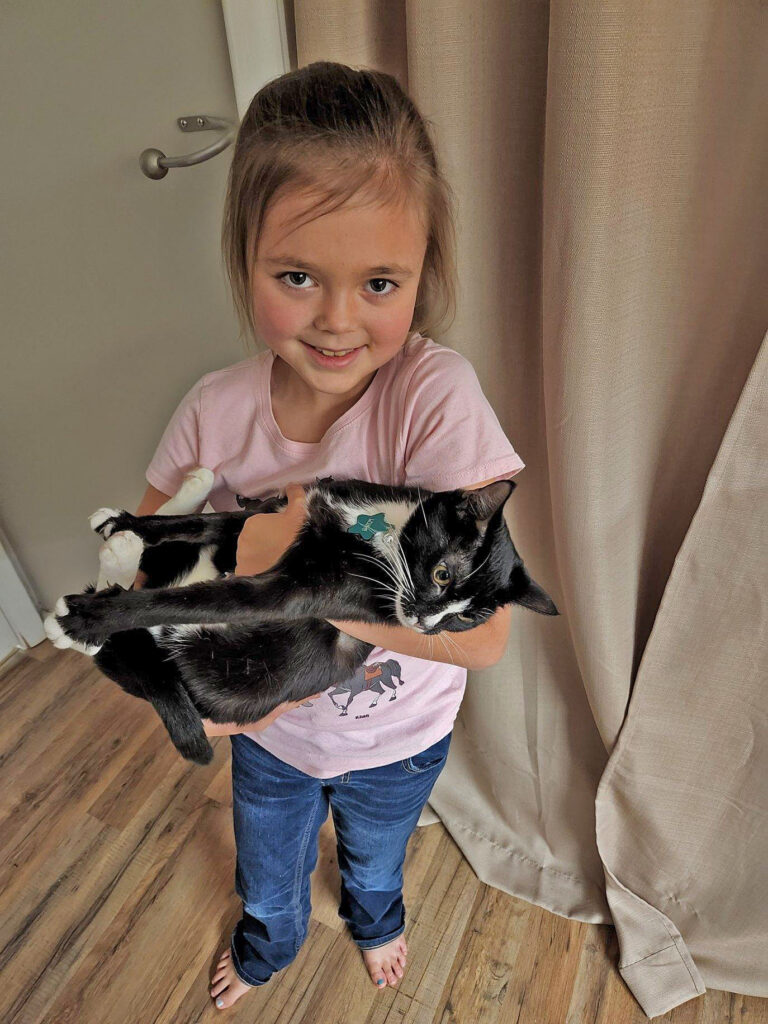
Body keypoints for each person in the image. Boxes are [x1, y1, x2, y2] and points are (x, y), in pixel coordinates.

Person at [134, 62, 526, 1011]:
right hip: (270, 736)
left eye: (380, 281)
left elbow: (482, 634)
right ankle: (270, 941)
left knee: (378, 856)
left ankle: (377, 919)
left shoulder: (434, 399)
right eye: (299, 276)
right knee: (266, 872)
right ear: (244, 261)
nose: (339, 319)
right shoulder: (213, 411)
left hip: (401, 735)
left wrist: (298, 578)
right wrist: (212, 695)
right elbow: (144, 567)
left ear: (423, 273)